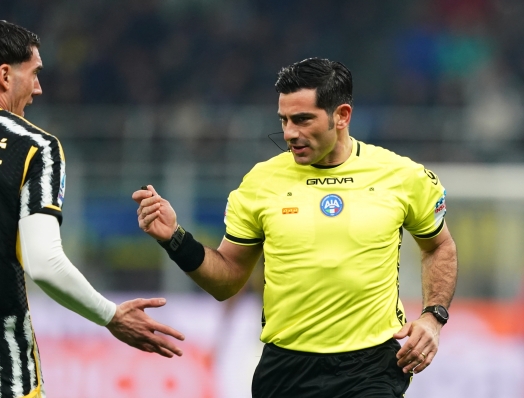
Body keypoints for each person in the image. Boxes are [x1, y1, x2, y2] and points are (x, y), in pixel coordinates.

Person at [0, 19, 184, 398]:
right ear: (5, 76)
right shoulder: (32, 147)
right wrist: (111, 316)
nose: (39, 88)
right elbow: (44, 264)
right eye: (35, 73)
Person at [133, 57, 458, 397]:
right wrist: (175, 239)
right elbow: (227, 280)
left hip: (372, 367)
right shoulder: (260, 182)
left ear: (342, 116)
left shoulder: (402, 177)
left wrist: (433, 316)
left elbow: (439, 247)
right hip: (286, 370)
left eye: (302, 119)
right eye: (284, 120)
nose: (289, 133)